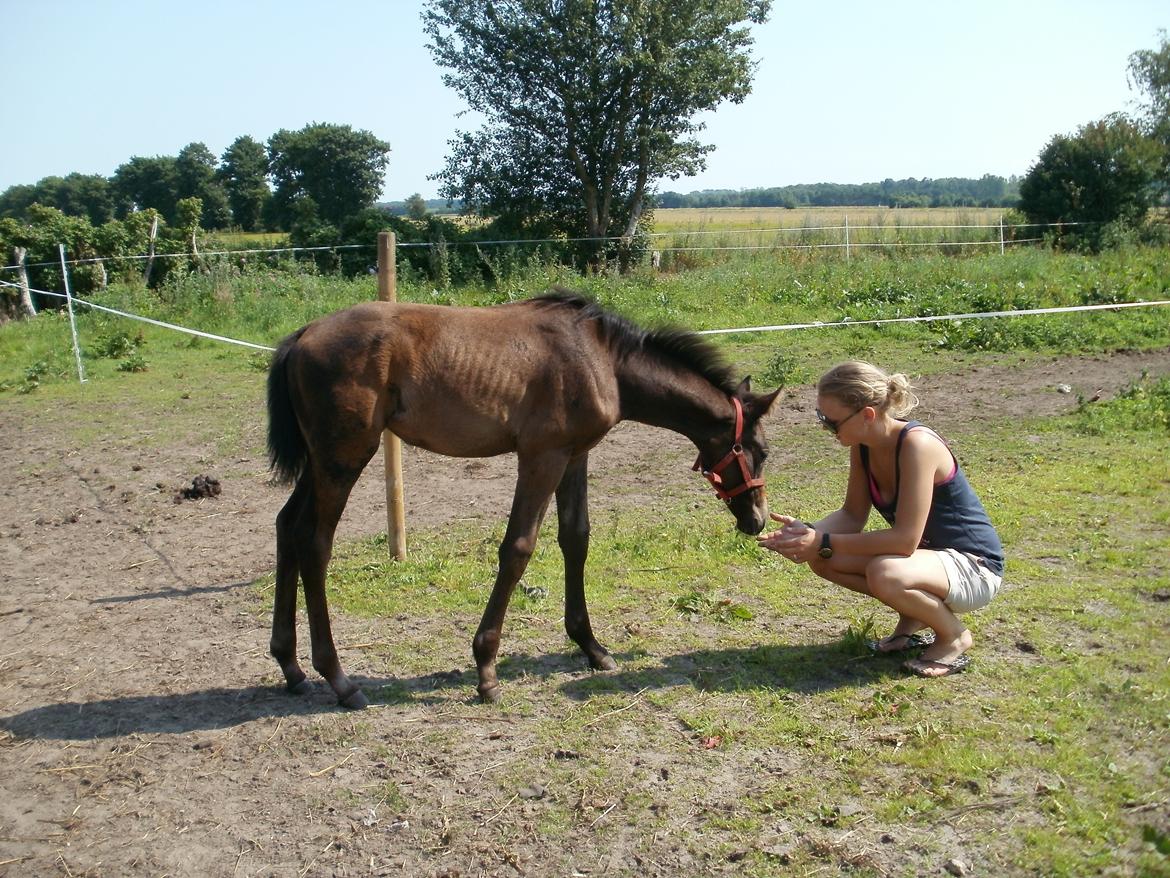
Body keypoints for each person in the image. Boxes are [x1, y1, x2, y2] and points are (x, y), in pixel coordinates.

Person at [756, 361, 1004, 678]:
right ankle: (914, 618)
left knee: (884, 571)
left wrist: (822, 540)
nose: (825, 428)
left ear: (868, 415)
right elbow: (852, 515)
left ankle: (953, 637)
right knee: (823, 559)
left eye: (831, 422)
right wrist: (807, 533)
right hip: (929, 562)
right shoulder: (864, 447)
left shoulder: (917, 445)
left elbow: (904, 540)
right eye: (821, 418)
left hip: (975, 568)